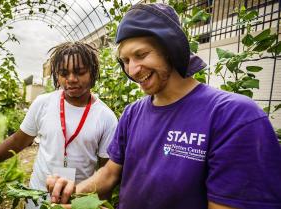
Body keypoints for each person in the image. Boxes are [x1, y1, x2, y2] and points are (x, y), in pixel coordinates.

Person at [46, 3, 281, 209]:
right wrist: (73, 192)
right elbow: (109, 174)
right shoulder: (132, 113)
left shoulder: (234, 116)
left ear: (170, 49)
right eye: (126, 61)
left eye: (141, 54)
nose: (133, 70)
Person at [0, 42, 118, 208]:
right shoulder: (43, 103)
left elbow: (106, 172)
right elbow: (17, 142)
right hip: (38, 197)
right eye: (64, 73)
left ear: (92, 72)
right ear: (56, 74)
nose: (71, 79)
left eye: (79, 72)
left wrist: (98, 204)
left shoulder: (106, 117)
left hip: (78, 202)